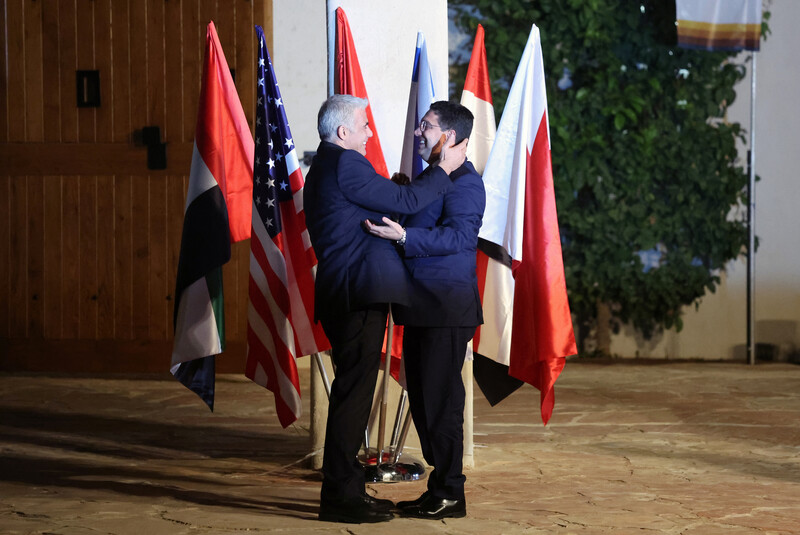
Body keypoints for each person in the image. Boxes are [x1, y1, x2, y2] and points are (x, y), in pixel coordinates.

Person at [303, 94, 467, 524]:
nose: (369, 133)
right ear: (343, 133)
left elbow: (391, 200)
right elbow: (407, 205)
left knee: (353, 393)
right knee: (354, 397)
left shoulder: (330, 164)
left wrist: (399, 187)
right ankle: (340, 495)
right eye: (363, 126)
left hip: (351, 292)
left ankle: (348, 488)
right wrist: (443, 170)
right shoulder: (345, 163)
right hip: (357, 292)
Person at [365, 101, 485, 520]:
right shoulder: (431, 178)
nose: (419, 133)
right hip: (421, 306)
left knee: (441, 402)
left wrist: (404, 237)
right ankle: (442, 488)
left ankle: (451, 492)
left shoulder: (466, 184)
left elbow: (458, 240)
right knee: (424, 397)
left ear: (449, 137)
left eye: (427, 127)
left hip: (445, 308)